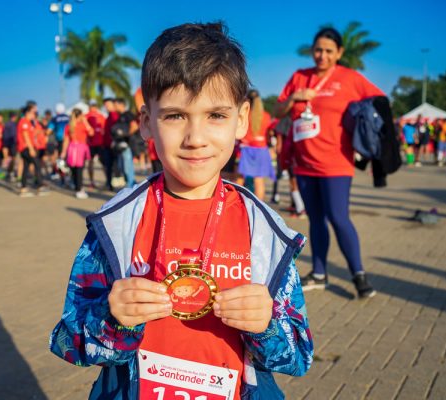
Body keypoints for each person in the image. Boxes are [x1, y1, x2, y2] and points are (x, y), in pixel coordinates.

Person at [49, 22, 313, 400]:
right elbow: (69, 342)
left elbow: (299, 355)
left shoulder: (265, 231)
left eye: (216, 116)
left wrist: (267, 325)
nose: (195, 138)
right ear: (146, 123)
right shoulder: (116, 224)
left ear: (241, 120)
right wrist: (112, 320)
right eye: (175, 116)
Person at [275, 27, 383, 298]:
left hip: (336, 163)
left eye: (328, 51)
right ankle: (320, 273)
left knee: (338, 217)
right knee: (315, 219)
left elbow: (381, 102)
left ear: (339, 53)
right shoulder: (299, 77)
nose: (322, 56)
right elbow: (277, 111)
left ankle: (359, 275)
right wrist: (293, 99)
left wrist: (364, 128)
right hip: (304, 163)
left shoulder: (350, 78)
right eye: (318, 50)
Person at [236, 90, 275, 200]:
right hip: (261, 150)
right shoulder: (266, 116)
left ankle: (233, 204)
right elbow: (269, 134)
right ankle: (259, 207)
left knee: (239, 179)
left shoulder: (244, 115)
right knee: (259, 181)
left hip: (245, 149)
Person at [16, 103, 48, 197]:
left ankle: (23, 188)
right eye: (33, 112)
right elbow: (25, 136)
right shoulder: (24, 122)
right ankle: (39, 186)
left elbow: (31, 134)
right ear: (28, 112)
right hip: (26, 148)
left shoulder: (29, 122)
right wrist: (31, 149)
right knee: (37, 164)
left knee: (26, 167)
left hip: (27, 147)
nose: (35, 115)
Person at [61, 108, 93, 199]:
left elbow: (66, 140)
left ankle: (77, 187)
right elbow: (91, 133)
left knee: (74, 169)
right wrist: (86, 122)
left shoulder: (69, 126)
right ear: (79, 116)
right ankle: (79, 189)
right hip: (80, 149)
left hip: (71, 149)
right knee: (79, 169)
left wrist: (63, 151)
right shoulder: (82, 125)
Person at [113, 98, 138, 188]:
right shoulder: (120, 116)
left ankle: (131, 186)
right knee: (123, 167)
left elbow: (134, 126)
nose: (114, 107)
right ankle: (130, 184)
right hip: (121, 145)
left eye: (115, 105)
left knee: (128, 167)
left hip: (127, 145)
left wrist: (126, 135)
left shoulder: (128, 114)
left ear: (121, 104)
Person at [47, 103, 71, 183]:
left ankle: (63, 178)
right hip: (70, 141)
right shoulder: (68, 118)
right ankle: (70, 178)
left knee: (60, 160)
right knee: (69, 160)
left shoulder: (55, 119)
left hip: (61, 141)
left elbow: (48, 131)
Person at [85, 101, 106, 188]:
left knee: (91, 163)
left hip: (92, 144)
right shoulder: (101, 116)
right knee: (103, 163)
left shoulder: (86, 116)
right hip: (98, 143)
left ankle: (92, 182)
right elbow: (104, 131)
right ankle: (107, 181)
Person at [101, 98, 119, 190]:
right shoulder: (108, 117)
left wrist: (114, 141)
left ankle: (112, 184)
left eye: (108, 105)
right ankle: (109, 184)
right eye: (105, 105)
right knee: (108, 166)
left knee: (114, 166)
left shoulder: (115, 116)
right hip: (106, 146)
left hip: (113, 146)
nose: (106, 107)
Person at [1, 112, 18, 182]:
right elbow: (14, 135)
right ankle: (10, 173)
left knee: (8, 159)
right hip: (12, 144)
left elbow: (4, 135)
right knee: (12, 159)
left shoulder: (6, 124)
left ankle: (8, 173)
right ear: (14, 117)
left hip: (6, 144)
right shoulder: (13, 124)